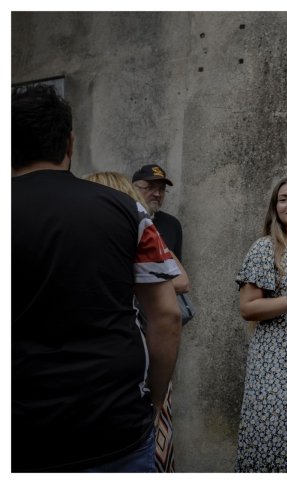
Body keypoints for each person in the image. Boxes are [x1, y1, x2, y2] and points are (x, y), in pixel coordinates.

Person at [12, 84, 182, 472]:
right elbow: (167, 316)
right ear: (69, 142)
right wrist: (154, 404)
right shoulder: (128, 212)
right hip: (116, 427)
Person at [85, 171, 189, 472]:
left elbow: (180, 282)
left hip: (137, 353)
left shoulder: (155, 226)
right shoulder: (132, 226)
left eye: (160, 189)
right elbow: (169, 311)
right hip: (133, 365)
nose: (155, 194)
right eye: (148, 188)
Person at [234, 178, 287, 472]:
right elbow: (248, 308)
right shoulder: (266, 248)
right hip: (276, 363)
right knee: (277, 436)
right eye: (283, 199)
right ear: (275, 208)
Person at [132, 164, 183, 261]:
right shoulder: (123, 218)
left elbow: (176, 268)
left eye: (162, 189)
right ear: (133, 189)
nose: (157, 194)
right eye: (150, 187)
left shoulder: (172, 224)